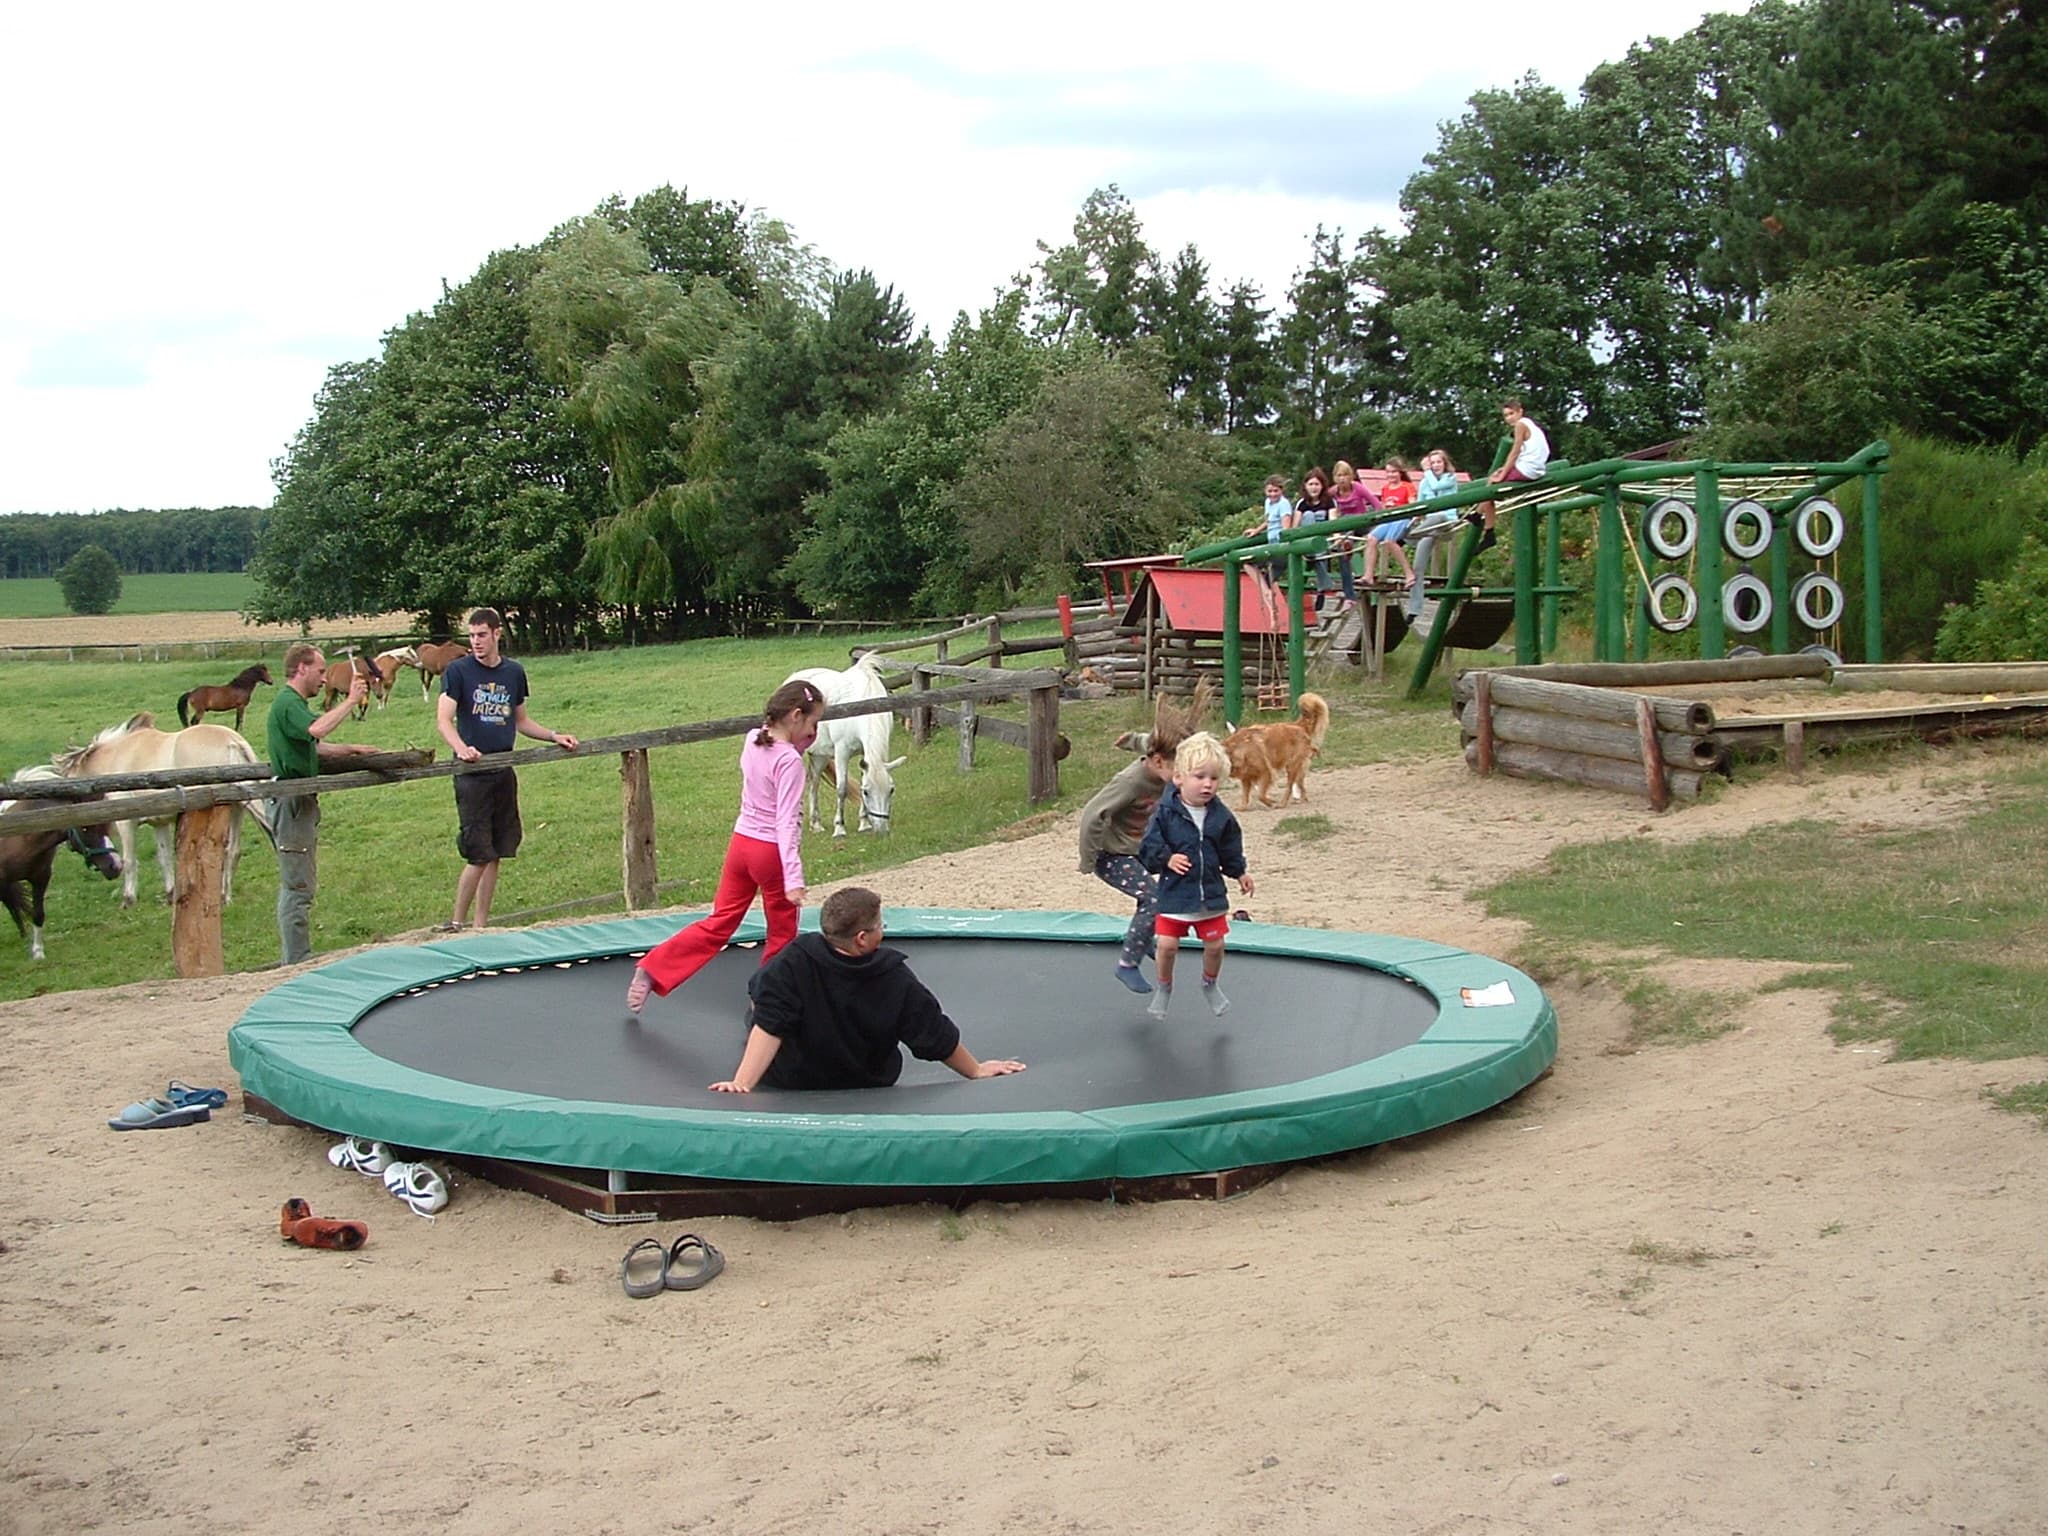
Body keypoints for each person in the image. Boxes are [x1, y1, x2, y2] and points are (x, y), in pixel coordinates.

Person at [626, 678, 825, 1014]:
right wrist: (793, 877)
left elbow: (774, 759)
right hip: (770, 853)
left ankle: (653, 968)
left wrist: (801, 740)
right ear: (795, 716)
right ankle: (765, 998)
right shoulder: (790, 762)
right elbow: (786, 822)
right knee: (782, 932)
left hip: (741, 845)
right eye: (813, 723)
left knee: (719, 922)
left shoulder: (754, 739)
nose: (814, 731)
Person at [709, 887, 1027, 1092]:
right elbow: (931, 1031)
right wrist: (974, 1069)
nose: (883, 929)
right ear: (862, 938)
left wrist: (743, 1083)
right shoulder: (894, 977)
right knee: (766, 1002)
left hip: (796, 1077)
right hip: (864, 1079)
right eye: (880, 925)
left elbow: (769, 1022)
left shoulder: (794, 960)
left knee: (763, 999)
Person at [435, 607, 580, 932]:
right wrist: (461, 748)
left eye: (482, 635)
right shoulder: (458, 672)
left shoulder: (513, 673)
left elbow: (521, 720)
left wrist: (554, 736)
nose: (476, 642)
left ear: (497, 634)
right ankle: (457, 922)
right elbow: (444, 719)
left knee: (498, 850)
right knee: (478, 852)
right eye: (471, 636)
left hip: (503, 768)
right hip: (473, 774)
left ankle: (482, 925)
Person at [266, 642, 381, 966]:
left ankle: (297, 958)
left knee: (300, 883)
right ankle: (297, 963)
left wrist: (352, 750)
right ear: (301, 669)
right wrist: (351, 701)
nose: (323, 679)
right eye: (319, 671)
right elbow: (317, 729)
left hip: (296, 803)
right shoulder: (289, 703)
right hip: (292, 803)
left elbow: (312, 745)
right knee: (297, 886)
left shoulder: (292, 705)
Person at [1137, 732, 1254, 1020]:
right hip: (1175, 895)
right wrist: (1167, 858)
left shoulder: (1221, 816)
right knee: (1166, 945)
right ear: (1178, 778)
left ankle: (1210, 984)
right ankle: (1164, 987)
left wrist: (1239, 872)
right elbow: (1148, 847)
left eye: (1213, 779)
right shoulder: (1165, 813)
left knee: (1215, 945)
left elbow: (1230, 847)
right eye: (1199, 777)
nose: (1207, 784)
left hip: (1209, 895)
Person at [1076, 723, 1184, 994]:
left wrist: (1133, 740)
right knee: (1153, 898)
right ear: (1158, 762)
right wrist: (1088, 860)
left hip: (1141, 849)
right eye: (1179, 772)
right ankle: (1127, 964)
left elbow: (1152, 742)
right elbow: (1093, 814)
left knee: (1180, 874)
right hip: (1111, 855)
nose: (1182, 778)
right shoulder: (1130, 782)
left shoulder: (1162, 757)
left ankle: (1142, 935)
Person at [1469, 398, 1550, 550]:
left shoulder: (1520, 425)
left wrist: (1503, 474)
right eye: (1506, 415)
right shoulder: (1532, 426)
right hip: (1536, 468)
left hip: (1529, 469)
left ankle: (1488, 530)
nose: (1509, 418)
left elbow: (1515, 451)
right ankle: (1478, 514)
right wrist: (1505, 470)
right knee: (1496, 475)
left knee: (1492, 483)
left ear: (1520, 412)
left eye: (1512, 413)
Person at [1362, 457, 1418, 590]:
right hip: (1389, 519)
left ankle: (1408, 573)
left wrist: (1414, 515)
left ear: (1400, 473)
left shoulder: (1407, 486)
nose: (1391, 475)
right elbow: (1383, 507)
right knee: (1371, 538)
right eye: (1388, 472)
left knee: (1389, 541)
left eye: (1394, 472)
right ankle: (1368, 574)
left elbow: (1413, 503)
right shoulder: (1386, 489)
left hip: (1402, 517)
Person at [1292, 466, 1338, 609]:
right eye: (1311, 484)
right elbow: (1296, 526)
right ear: (1305, 486)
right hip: (1306, 540)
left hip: (1322, 541)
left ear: (1322, 486)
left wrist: (1336, 538)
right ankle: (1324, 586)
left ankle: (1321, 591)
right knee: (1309, 515)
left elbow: (1333, 522)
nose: (1314, 487)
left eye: (1317, 484)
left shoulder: (1329, 502)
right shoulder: (1302, 503)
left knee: (1321, 553)